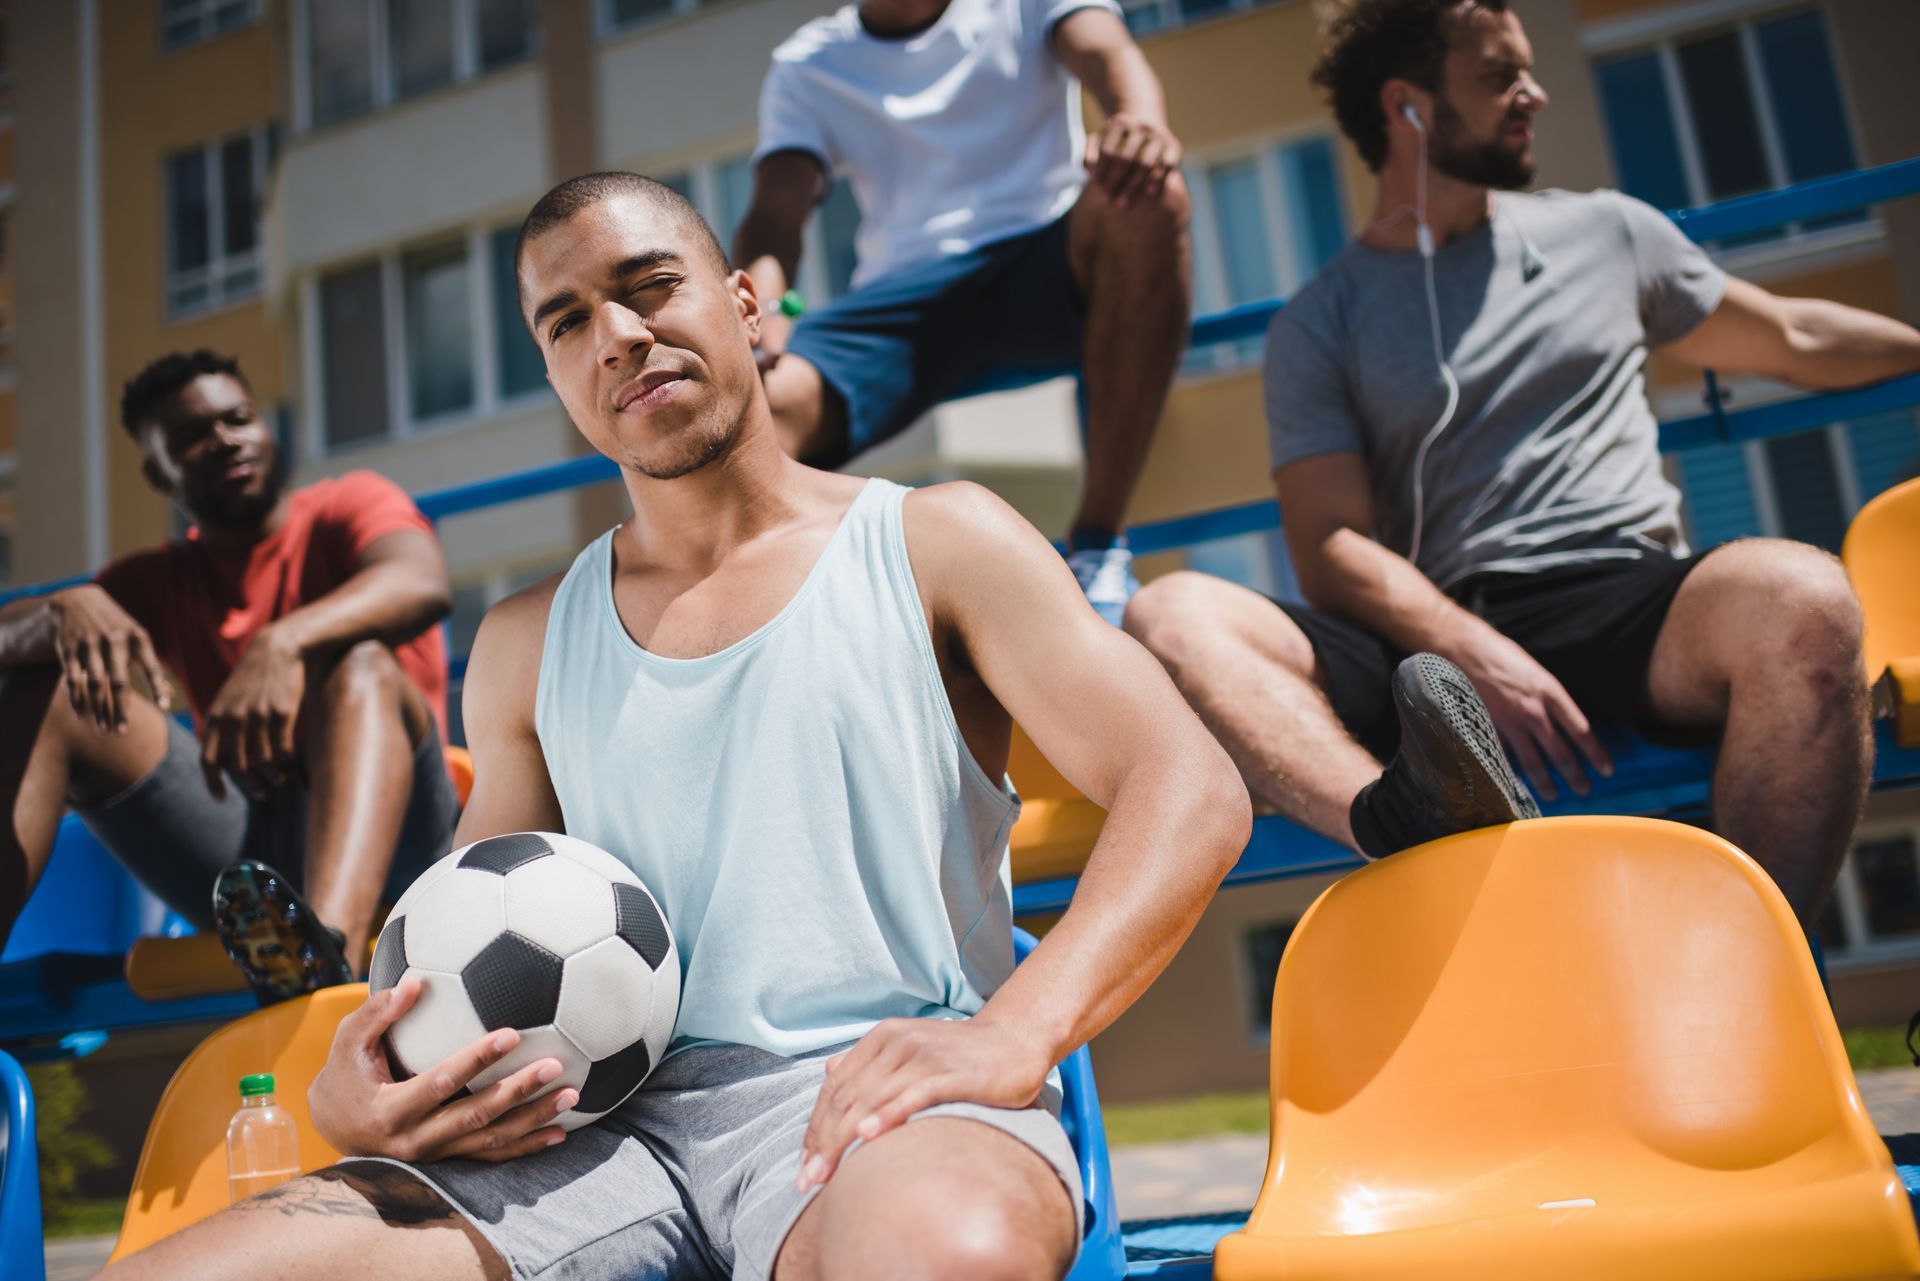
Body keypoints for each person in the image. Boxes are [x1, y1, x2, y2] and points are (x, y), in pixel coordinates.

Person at [102, 172, 1530, 1281]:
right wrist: (383, 1070)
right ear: (555, 375)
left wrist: (1014, 1035)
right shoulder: (529, 642)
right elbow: (471, 933)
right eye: (567, 321)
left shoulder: (939, 542)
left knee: (943, 1257)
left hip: (886, 1100)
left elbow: (1188, 787)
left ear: (744, 305)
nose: (619, 335)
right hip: (592, 1134)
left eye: (649, 286)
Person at [1121, 0, 1920, 929]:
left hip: (1622, 600)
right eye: (1500, 75)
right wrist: (1466, 646)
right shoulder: (1321, 320)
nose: (1531, 94)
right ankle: (1399, 818)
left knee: (1805, 596)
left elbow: (1791, 334)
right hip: (1426, 645)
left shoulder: (1613, 233)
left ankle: (1740, 975)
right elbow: (1328, 542)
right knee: (1170, 611)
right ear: (1406, 105)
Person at [0, 351, 458, 990]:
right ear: (157, 474)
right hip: (253, 856)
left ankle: (320, 969)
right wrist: (64, 606)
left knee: (358, 662)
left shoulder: (346, 503)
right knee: (52, 689)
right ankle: (296, 951)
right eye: (190, 438)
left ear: (265, 429)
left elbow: (421, 583)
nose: (222, 440)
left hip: (404, 838)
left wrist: (285, 641)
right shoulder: (159, 580)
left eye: (237, 419)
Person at [733, 0, 1192, 622]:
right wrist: (764, 303)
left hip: (1045, 259)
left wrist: (1138, 120)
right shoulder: (807, 63)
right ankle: (786, 611)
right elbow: (777, 209)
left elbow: (1109, 55)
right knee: (751, 401)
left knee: (1150, 196)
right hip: (904, 303)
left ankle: (1098, 541)